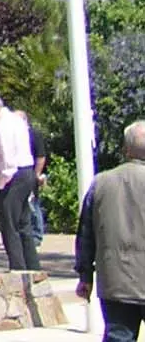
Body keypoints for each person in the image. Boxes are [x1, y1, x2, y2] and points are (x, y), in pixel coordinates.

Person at [75, 120, 145, 342]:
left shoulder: (101, 183)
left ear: (125, 149)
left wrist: (85, 276)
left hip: (115, 282)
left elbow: (86, 235)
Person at [0, 91, 39, 270]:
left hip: (14, 176)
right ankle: (32, 267)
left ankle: (18, 268)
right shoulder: (16, 120)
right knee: (23, 224)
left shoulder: (3, 125)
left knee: (10, 225)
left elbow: (9, 159)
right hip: (26, 173)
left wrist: (0, 185)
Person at [16, 110, 49, 240]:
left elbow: (41, 156)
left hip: (31, 174)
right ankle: (27, 234)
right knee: (24, 204)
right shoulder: (18, 136)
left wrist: (37, 174)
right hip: (20, 175)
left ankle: (37, 235)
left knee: (33, 204)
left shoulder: (34, 134)